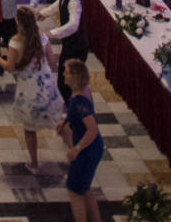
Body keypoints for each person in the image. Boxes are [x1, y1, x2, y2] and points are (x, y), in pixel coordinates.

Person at [0, 4, 60, 171]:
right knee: (57, 121)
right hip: (45, 82)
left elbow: (10, 67)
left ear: (18, 21)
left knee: (29, 127)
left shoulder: (16, 42)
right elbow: (53, 62)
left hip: (28, 87)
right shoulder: (43, 37)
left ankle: (34, 163)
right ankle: (74, 150)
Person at [58, 59, 103, 222]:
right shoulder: (81, 93)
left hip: (86, 151)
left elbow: (92, 129)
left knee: (74, 190)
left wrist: (76, 149)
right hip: (92, 148)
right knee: (84, 188)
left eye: (67, 71)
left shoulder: (79, 101)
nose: (63, 74)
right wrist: (64, 123)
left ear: (75, 76)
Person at [45, 0, 89, 98]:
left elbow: (73, 25)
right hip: (70, 45)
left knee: (69, 83)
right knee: (64, 80)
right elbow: (57, 5)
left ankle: (72, 110)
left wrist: (51, 33)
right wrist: (41, 14)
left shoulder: (74, 1)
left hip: (77, 47)